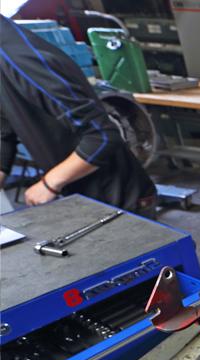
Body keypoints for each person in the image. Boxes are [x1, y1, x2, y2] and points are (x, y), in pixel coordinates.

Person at [0, 16, 157, 214]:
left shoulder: (19, 60)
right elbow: (4, 129)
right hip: (79, 198)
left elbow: (101, 136)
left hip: (118, 200)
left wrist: (49, 184)